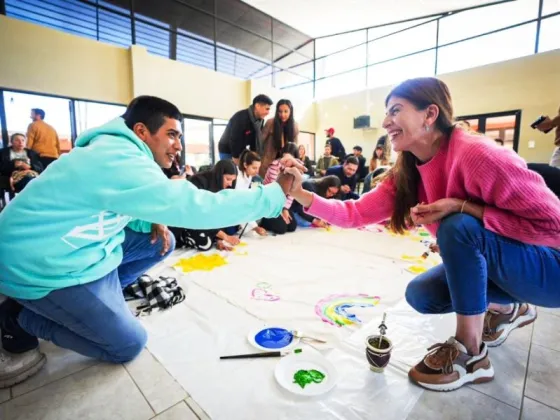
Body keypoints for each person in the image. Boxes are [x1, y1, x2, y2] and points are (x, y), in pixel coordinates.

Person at [0, 96, 300, 388]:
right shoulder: (119, 160)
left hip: (70, 247)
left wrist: (148, 217)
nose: (179, 145)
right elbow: (196, 206)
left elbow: (103, 206)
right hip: (38, 266)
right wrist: (273, 195)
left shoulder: (115, 151)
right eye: (171, 135)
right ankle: (20, 317)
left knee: (162, 240)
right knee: (128, 344)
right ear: (142, 131)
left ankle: (96, 304)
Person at [286, 77, 560, 392]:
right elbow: (354, 214)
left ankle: (472, 354)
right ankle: (508, 307)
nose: (386, 121)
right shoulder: (409, 170)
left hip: (551, 268)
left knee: (458, 227)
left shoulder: (477, 155)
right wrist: (301, 194)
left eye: (395, 110)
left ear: (430, 114)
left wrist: (463, 206)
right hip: (512, 263)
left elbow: (555, 227)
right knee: (422, 294)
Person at [170, 160, 243, 251]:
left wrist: (219, 240)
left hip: (203, 223)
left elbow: (219, 215)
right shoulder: (199, 181)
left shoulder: (221, 187)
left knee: (210, 238)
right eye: (228, 179)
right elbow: (197, 213)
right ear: (219, 175)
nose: (230, 184)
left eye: (233, 180)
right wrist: (225, 236)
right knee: (205, 242)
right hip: (186, 221)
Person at [217, 94, 273, 164]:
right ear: (257, 106)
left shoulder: (259, 121)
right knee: (231, 172)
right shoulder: (241, 118)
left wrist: (254, 157)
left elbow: (255, 139)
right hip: (227, 149)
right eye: (267, 109)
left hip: (241, 148)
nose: (268, 112)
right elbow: (234, 140)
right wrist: (236, 158)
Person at [260, 142, 300, 235]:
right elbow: (274, 190)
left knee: (291, 226)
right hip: (271, 203)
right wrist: (280, 210)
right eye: (285, 157)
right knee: (281, 228)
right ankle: (264, 221)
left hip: (283, 204)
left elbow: (291, 192)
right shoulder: (274, 166)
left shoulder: (295, 169)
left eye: (290, 159)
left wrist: (285, 209)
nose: (287, 161)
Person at [259, 99, 299, 178]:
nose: (282, 114)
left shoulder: (295, 126)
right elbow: (260, 141)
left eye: (286, 111)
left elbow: (294, 147)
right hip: (268, 162)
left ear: (290, 112)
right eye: (280, 111)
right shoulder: (270, 122)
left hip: (284, 164)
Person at [234, 150, 267, 237]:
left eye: (258, 168)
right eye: (254, 168)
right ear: (245, 165)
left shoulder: (249, 175)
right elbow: (240, 205)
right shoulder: (238, 178)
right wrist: (255, 227)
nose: (257, 171)